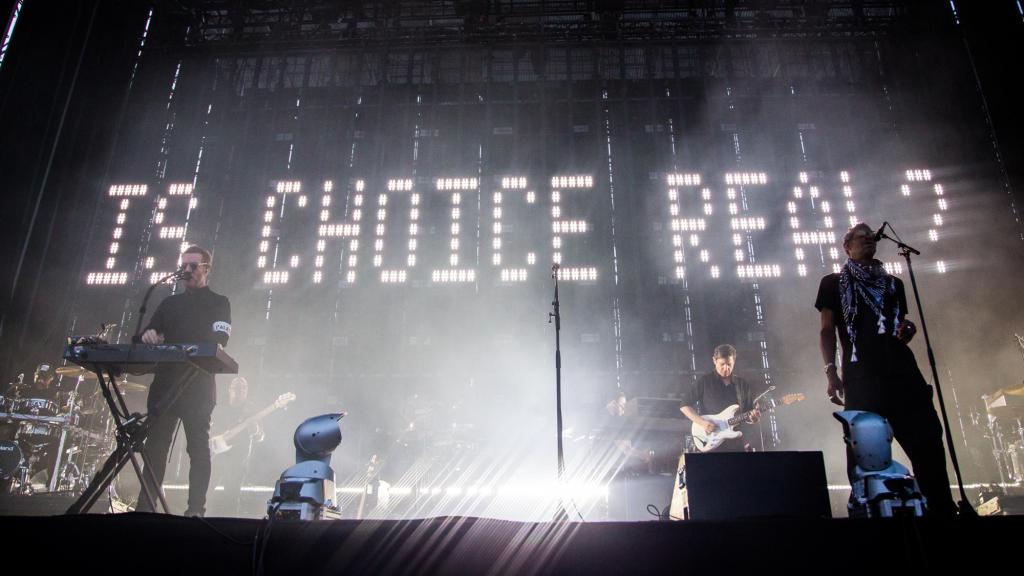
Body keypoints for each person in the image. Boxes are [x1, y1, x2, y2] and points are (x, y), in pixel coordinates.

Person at [816, 222, 956, 516]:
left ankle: (941, 509)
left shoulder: (894, 283)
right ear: (847, 247)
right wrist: (831, 372)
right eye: (861, 237)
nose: (868, 241)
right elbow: (827, 330)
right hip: (862, 377)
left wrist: (909, 328)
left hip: (903, 374)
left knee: (927, 442)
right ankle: (867, 512)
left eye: (871, 238)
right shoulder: (832, 283)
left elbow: (897, 325)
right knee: (865, 452)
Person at [137, 245, 231, 517]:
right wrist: (150, 334)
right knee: (155, 448)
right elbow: (150, 330)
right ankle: (145, 508)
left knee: (198, 449)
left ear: (206, 269)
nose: (186, 271)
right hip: (165, 385)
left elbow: (220, 339)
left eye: (193, 266)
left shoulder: (219, 302)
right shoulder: (169, 303)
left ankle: (195, 511)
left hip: (198, 386)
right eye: (184, 266)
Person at [679, 344, 760, 452]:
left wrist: (754, 418)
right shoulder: (705, 381)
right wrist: (702, 423)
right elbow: (684, 405)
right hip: (712, 441)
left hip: (736, 444)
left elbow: (748, 413)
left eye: (729, 364)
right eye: (722, 364)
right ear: (714, 361)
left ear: (734, 361)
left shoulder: (742, 384)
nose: (726, 368)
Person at [210, 376, 264, 516]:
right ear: (230, 390)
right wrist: (219, 435)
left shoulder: (251, 410)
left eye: (243, 388)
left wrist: (255, 430)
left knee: (232, 495)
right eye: (236, 388)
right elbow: (208, 430)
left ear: (247, 391)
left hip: (238, 459)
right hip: (217, 455)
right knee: (206, 491)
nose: (239, 391)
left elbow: (261, 436)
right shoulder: (220, 408)